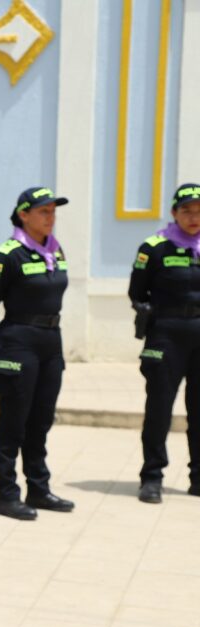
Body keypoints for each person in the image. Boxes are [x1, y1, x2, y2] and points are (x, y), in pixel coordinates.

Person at [0, 186, 75, 519]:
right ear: (24, 214)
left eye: (53, 211)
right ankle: (7, 494)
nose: (51, 217)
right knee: (14, 421)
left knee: (41, 419)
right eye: (44, 211)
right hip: (18, 341)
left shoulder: (54, 251)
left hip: (51, 341)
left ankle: (39, 488)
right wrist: (3, 340)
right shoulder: (7, 254)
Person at [130, 183, 200, 503]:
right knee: (159, 408)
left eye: (198, 211)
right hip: (166, 334)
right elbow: (137, 292)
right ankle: (152, 477)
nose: (193, 216)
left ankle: (197, 477)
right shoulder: (154, 247)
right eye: (186, 210)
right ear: (174, 213)